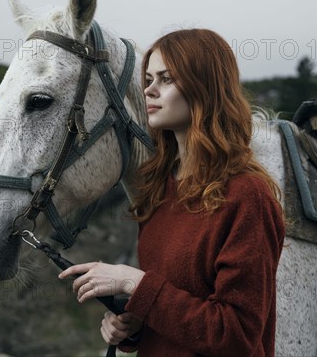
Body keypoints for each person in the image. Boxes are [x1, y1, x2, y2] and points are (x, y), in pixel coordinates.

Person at [59, 28, 285, 356]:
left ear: (205, 88)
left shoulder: (247, 196)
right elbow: (179, 306)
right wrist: (136, 325)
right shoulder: (161, 189)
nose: (149, 90)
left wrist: (133, 284)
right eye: (148, 78)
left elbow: (236, 336)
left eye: (166, 79)